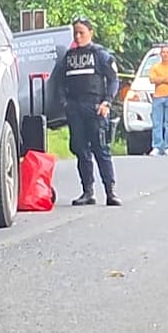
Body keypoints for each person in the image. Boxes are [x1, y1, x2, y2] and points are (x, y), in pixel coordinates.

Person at [51, 17, 121, 206]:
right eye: (75, 33)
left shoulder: (100, 54)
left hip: (95, 108)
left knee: (101, 150)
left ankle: (110, 192)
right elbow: (59, 82)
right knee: (81, 151)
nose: (78, 36)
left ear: (91, 33)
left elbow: (113, 80)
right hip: (75, 109)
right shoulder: (69, 57)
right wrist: (65, 104)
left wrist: (107, 102)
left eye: (81, 32)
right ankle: (87, 192)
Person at [148, 45, 168, 156]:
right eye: (163, 52)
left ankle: (167, 146)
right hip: (157, 97)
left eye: (167, 52)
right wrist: (166, 78)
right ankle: (156, 147)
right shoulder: (155, 67)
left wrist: (160, 79)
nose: (165, 54)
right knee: (157, 123)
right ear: (160, 54)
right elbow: (152, 79)